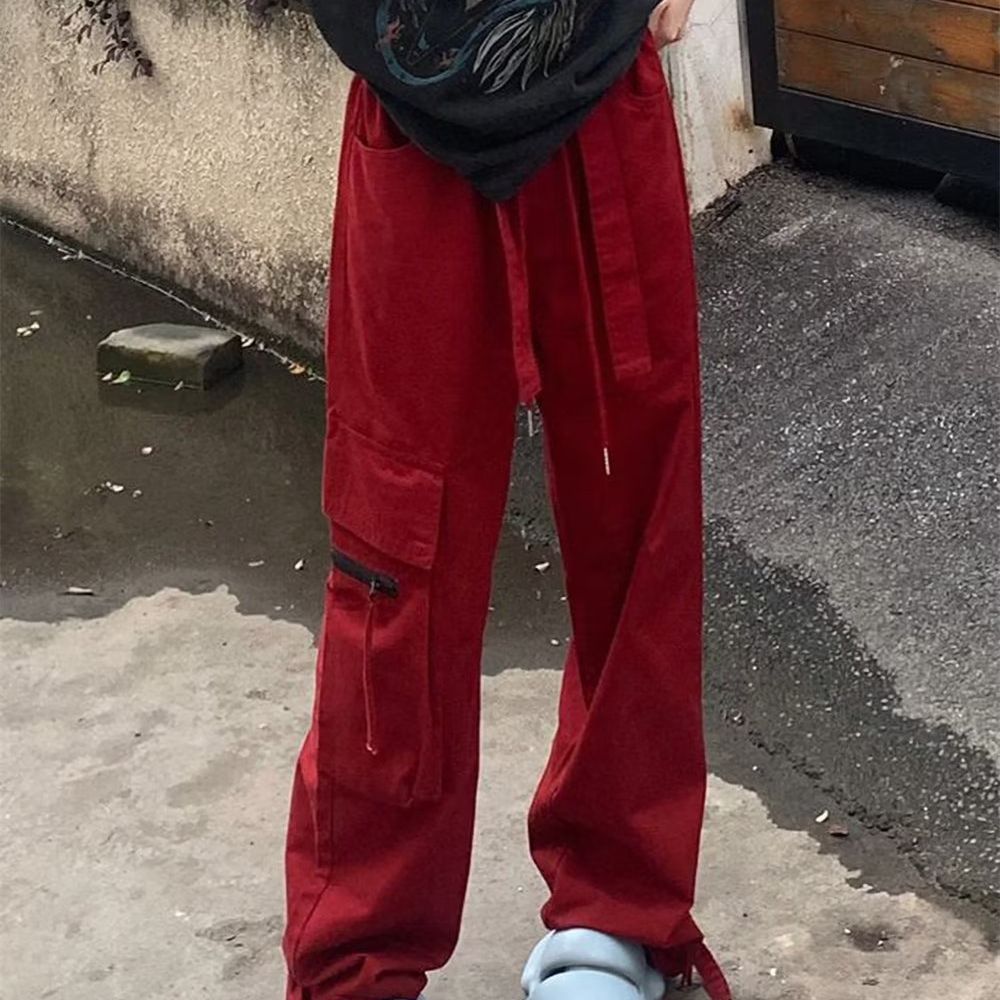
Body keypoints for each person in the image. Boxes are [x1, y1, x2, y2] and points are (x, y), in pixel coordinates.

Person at [283, 2, 732, 998]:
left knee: (637, 522)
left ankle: (616, 913)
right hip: (413, 106)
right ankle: (358, 956)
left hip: (599, 91)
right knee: (393, 547)